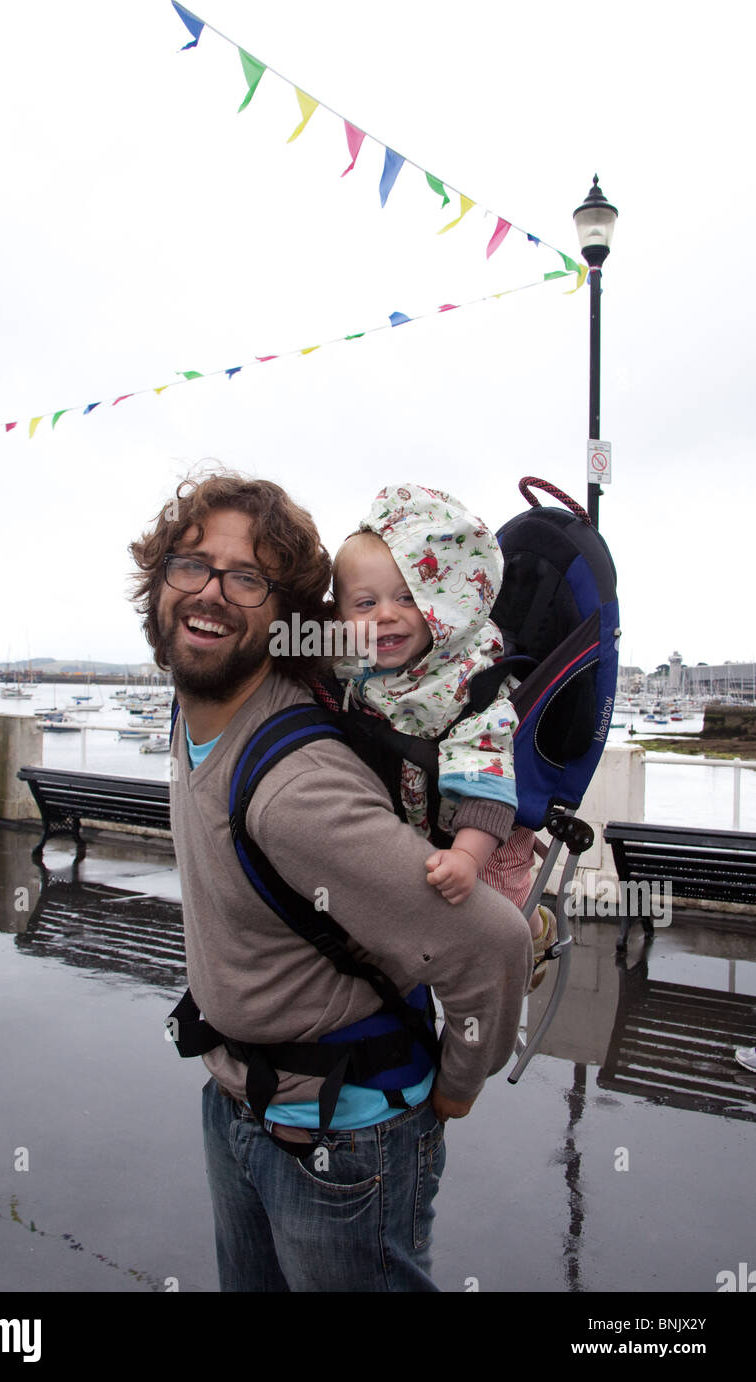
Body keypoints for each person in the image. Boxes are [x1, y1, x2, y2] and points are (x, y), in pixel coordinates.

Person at [130, 471, 532, 1293]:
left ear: (286, 617)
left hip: (342, 1143)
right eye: (192, 563)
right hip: (238, 1099)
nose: (210, 592)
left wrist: (457, 1090)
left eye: (248, 578)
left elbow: (492, 946)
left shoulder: (298, 792)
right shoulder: (196, 701)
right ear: (159, 579)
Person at [332, 483, 554, 978]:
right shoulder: (358, 670)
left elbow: (487, 783)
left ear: (443, 604)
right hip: (420, 825)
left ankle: (536, 932)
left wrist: (467, 858)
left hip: (485, 835)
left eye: (407, 598)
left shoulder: (467, 686)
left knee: (497, 917)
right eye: (364, 604)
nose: (385, 614)